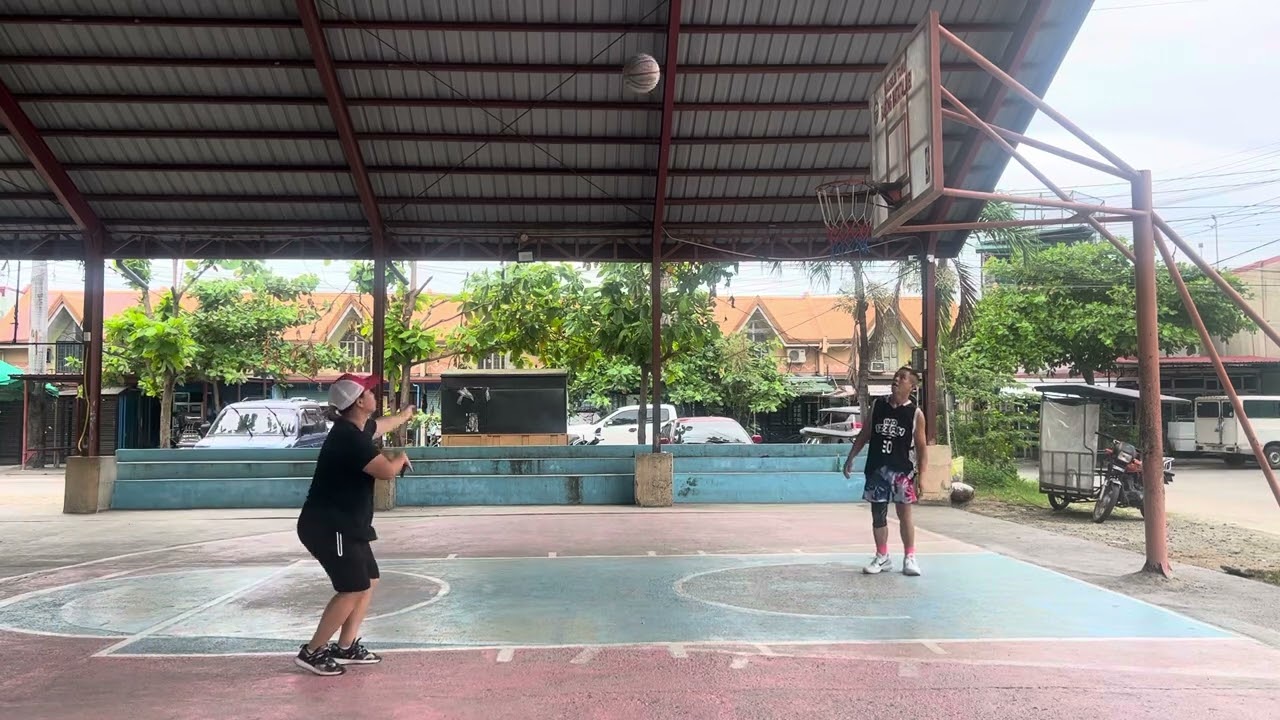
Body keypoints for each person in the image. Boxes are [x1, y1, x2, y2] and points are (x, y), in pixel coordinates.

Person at [293, 373, 416, 676]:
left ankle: (346, 646)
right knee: (351, 587)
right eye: (369, 392)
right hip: (329, 526)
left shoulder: (357, 429)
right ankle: (312, 651)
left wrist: (405, 415)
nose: (374, 395)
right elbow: (386, 471)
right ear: (359, 402)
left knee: (369, 579)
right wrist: (400, 458)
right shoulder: (350, 440)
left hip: (349, 524)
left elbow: (381, 425)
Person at [842, 366, 928, 577]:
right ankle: (882, 556)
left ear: (912, 386)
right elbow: (865, 434)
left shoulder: (915, 414)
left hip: (902, 472)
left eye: (903, 378)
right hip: (877, 468)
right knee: (878, 513)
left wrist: (922, 478)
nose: (896, 379)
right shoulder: (878, 405)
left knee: (904, 514)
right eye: (896, 376)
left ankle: (909, 557)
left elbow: (922, 448)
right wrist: (851, 456)